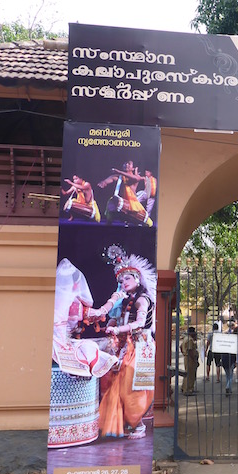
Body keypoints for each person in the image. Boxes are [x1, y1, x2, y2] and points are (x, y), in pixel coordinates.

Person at [83, 245, 156, 440]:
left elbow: (140, 323)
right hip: (124, 344)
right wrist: (111, 323)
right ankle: (123, 422)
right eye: (120, 280)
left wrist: (118, 329)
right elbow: (115, 314)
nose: (123, 282)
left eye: (127, 278)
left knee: (131, 383)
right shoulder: (124, 300)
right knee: (111, 379)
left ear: (137, 279)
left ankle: (137, 423)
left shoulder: (143, 299)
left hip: (140, 345)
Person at [98, 160, 154, 227]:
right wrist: (104, 182)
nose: (126, 165)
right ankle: (108, 225)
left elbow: (135, 178)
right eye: (125, 163)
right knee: (111, 201)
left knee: (149, 224)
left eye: (129, 164)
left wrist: (118, 171)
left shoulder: (136, 177)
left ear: (133, 168)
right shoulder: (119, 177)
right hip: (124, 204)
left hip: (133, 205)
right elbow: (111, 178)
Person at [180, 326, 199, 395]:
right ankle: (188, 390)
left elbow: (180, 347)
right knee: (190, 374)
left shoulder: (186, 338)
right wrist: (194, 359)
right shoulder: (190, 340)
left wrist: (184, 353)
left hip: (187, 357)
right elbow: (190, 350)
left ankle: (184, 387)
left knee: (187, 373)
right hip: (190, 358)